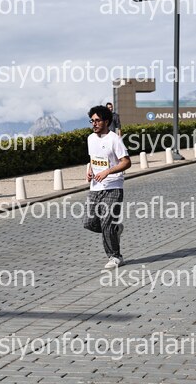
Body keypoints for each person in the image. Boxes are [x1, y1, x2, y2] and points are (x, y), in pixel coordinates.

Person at [84, 105, 131, 269]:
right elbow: (93, 159)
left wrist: (108, 172)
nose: (94, 124)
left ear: (106, 121)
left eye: (97, 120)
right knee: (89, 222)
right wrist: (90, 170)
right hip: (95, 187)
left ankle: (115, 256)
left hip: (113, 186)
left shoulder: (114, 139)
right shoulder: (90, 138)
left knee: (106, 222)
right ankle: (115, 229)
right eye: (92, 121)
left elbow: (126, 162)